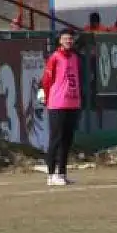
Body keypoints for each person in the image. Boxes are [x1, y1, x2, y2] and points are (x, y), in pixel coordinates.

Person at [38, 29, 82, 186]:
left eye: (70, 39)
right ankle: (51, 174)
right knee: (56, 138)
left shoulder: (76, 58)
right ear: (59, 41)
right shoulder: (55, 58)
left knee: (67, 140)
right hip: (57, 103)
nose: (68, 41)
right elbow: (46, 79)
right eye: (65, 38)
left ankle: (62, 173)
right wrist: (45, 94)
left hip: (73, 103)